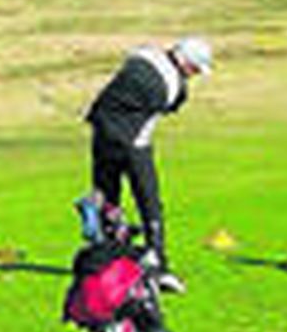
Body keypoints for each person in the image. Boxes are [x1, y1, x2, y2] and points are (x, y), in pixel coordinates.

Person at [84, 36, 212, 294]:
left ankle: (106, 261)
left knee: (107, 197)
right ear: (186, 64)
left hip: (100, 129)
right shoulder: (173, 88)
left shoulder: (143, 54)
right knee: (149, 202)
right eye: (195, 70)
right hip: (133, 140)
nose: (194, 75)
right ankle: (159, 268)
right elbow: (163, 110)